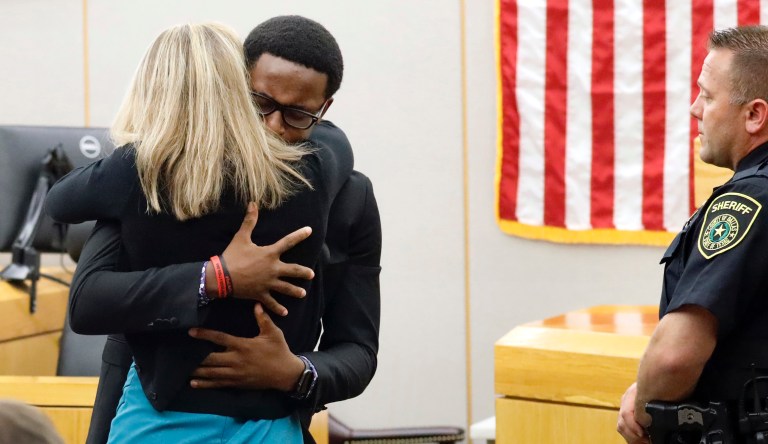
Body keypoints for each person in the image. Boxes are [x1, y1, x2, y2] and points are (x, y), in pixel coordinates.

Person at [57, 16, 381, 444]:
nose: (273, 127)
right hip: (155, 410)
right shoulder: (160, 178)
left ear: (324, 109)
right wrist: (216, 277)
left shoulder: (346, 195)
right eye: (259, 102)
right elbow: (89, 302)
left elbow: (358, 350)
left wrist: (295, 373)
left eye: (298, 114)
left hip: (272, 419)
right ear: (231, 86)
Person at [617, 25, 768, 444]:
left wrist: (643, 405)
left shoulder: (749, 200)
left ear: (754, 115)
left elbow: (674, 357)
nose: (694, 108)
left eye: (707, 94)